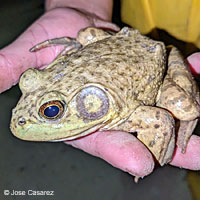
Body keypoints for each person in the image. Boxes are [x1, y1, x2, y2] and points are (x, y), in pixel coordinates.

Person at [0, 0, 200, 178]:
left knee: (185, 108)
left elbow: (159, 120)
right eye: (28, 81)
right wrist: (81, 7)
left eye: (51, 111)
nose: (21, 117)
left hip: (154, 61)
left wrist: (154, 154)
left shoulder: (128, 113)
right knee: (86, 33)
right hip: (135, 28)